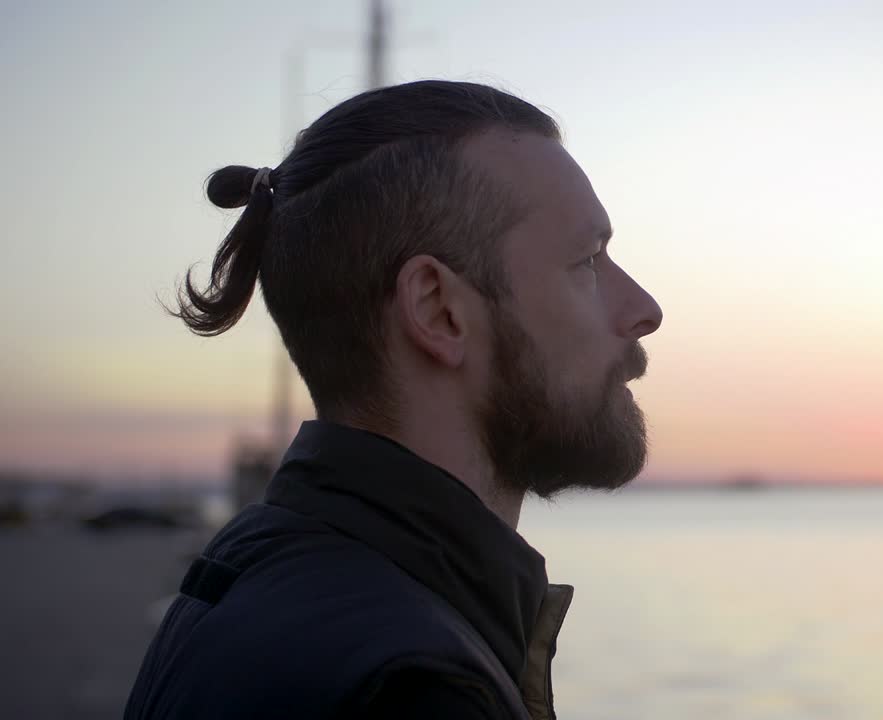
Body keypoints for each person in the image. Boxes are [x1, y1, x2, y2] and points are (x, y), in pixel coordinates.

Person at [124, 80, 663, 720]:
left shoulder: (251, 564)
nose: (645, 309)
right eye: (588, 260)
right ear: (437, 310)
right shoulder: (414, 688)